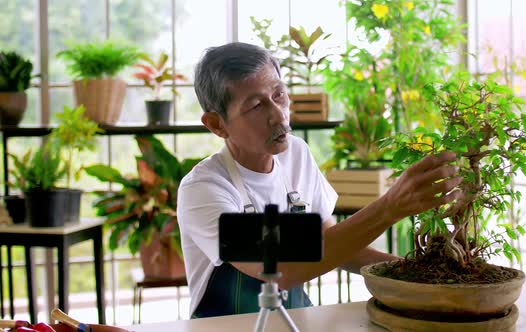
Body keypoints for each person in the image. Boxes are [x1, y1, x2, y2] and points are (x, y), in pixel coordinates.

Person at [177, 42, 462, 318]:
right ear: (216, 124)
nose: (278, 115)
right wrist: (390, 206)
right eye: (255, 106)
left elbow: (332, 247)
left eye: (279, 95)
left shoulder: (296, 155)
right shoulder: (204, 189)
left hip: (296, 321)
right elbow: (281, 269)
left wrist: (417, 271)